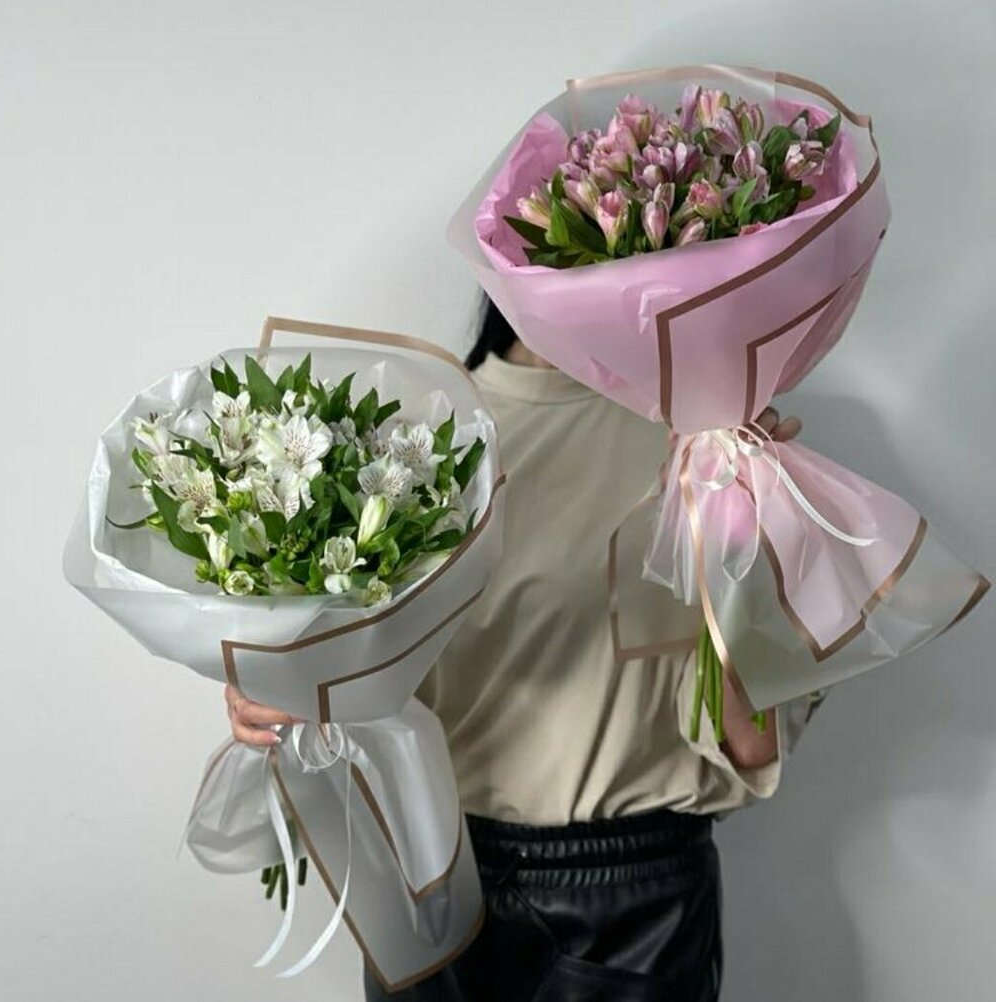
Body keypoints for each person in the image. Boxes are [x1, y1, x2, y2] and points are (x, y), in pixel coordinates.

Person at [224, 296, 820, 1001]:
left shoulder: (714, 442)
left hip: (630, 915)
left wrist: (735, 549)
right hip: (427, 885)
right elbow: (348, 701)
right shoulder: (402, 439)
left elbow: (753, 743)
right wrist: (277, 693)